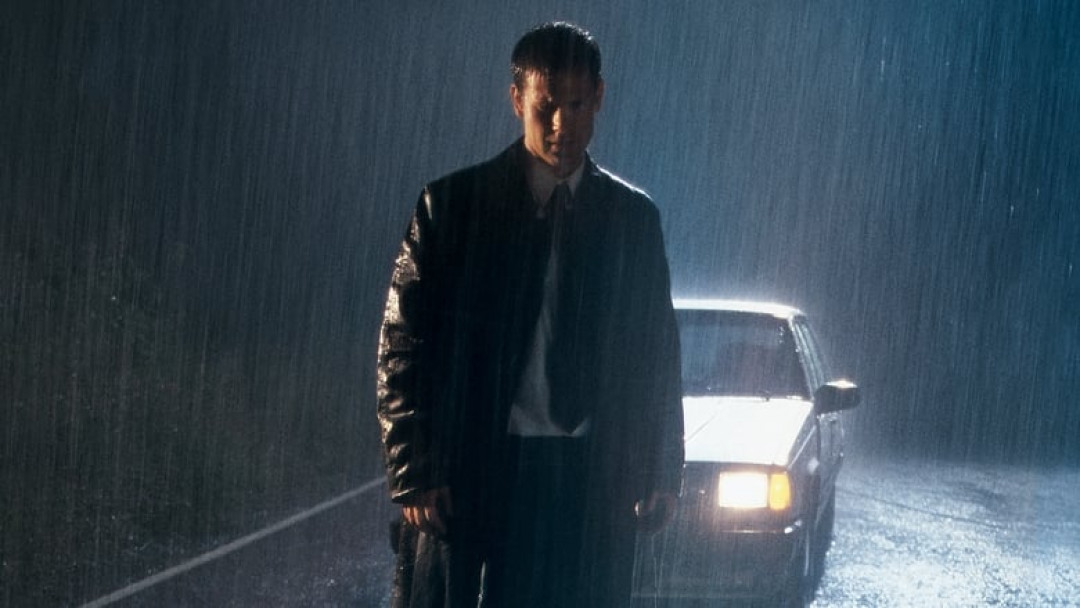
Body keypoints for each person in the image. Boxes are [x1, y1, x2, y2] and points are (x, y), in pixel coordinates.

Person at [376, 21, 684, 608]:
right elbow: (403, 342)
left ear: (599, 97)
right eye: (547, 107)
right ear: (517, 100)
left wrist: (661, 466)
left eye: (577, 104)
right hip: (475, 463)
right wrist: (414, 465)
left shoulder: (631, 221)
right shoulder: (453, 208)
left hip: (586, 473)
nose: (563, 124)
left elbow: (656, 355)